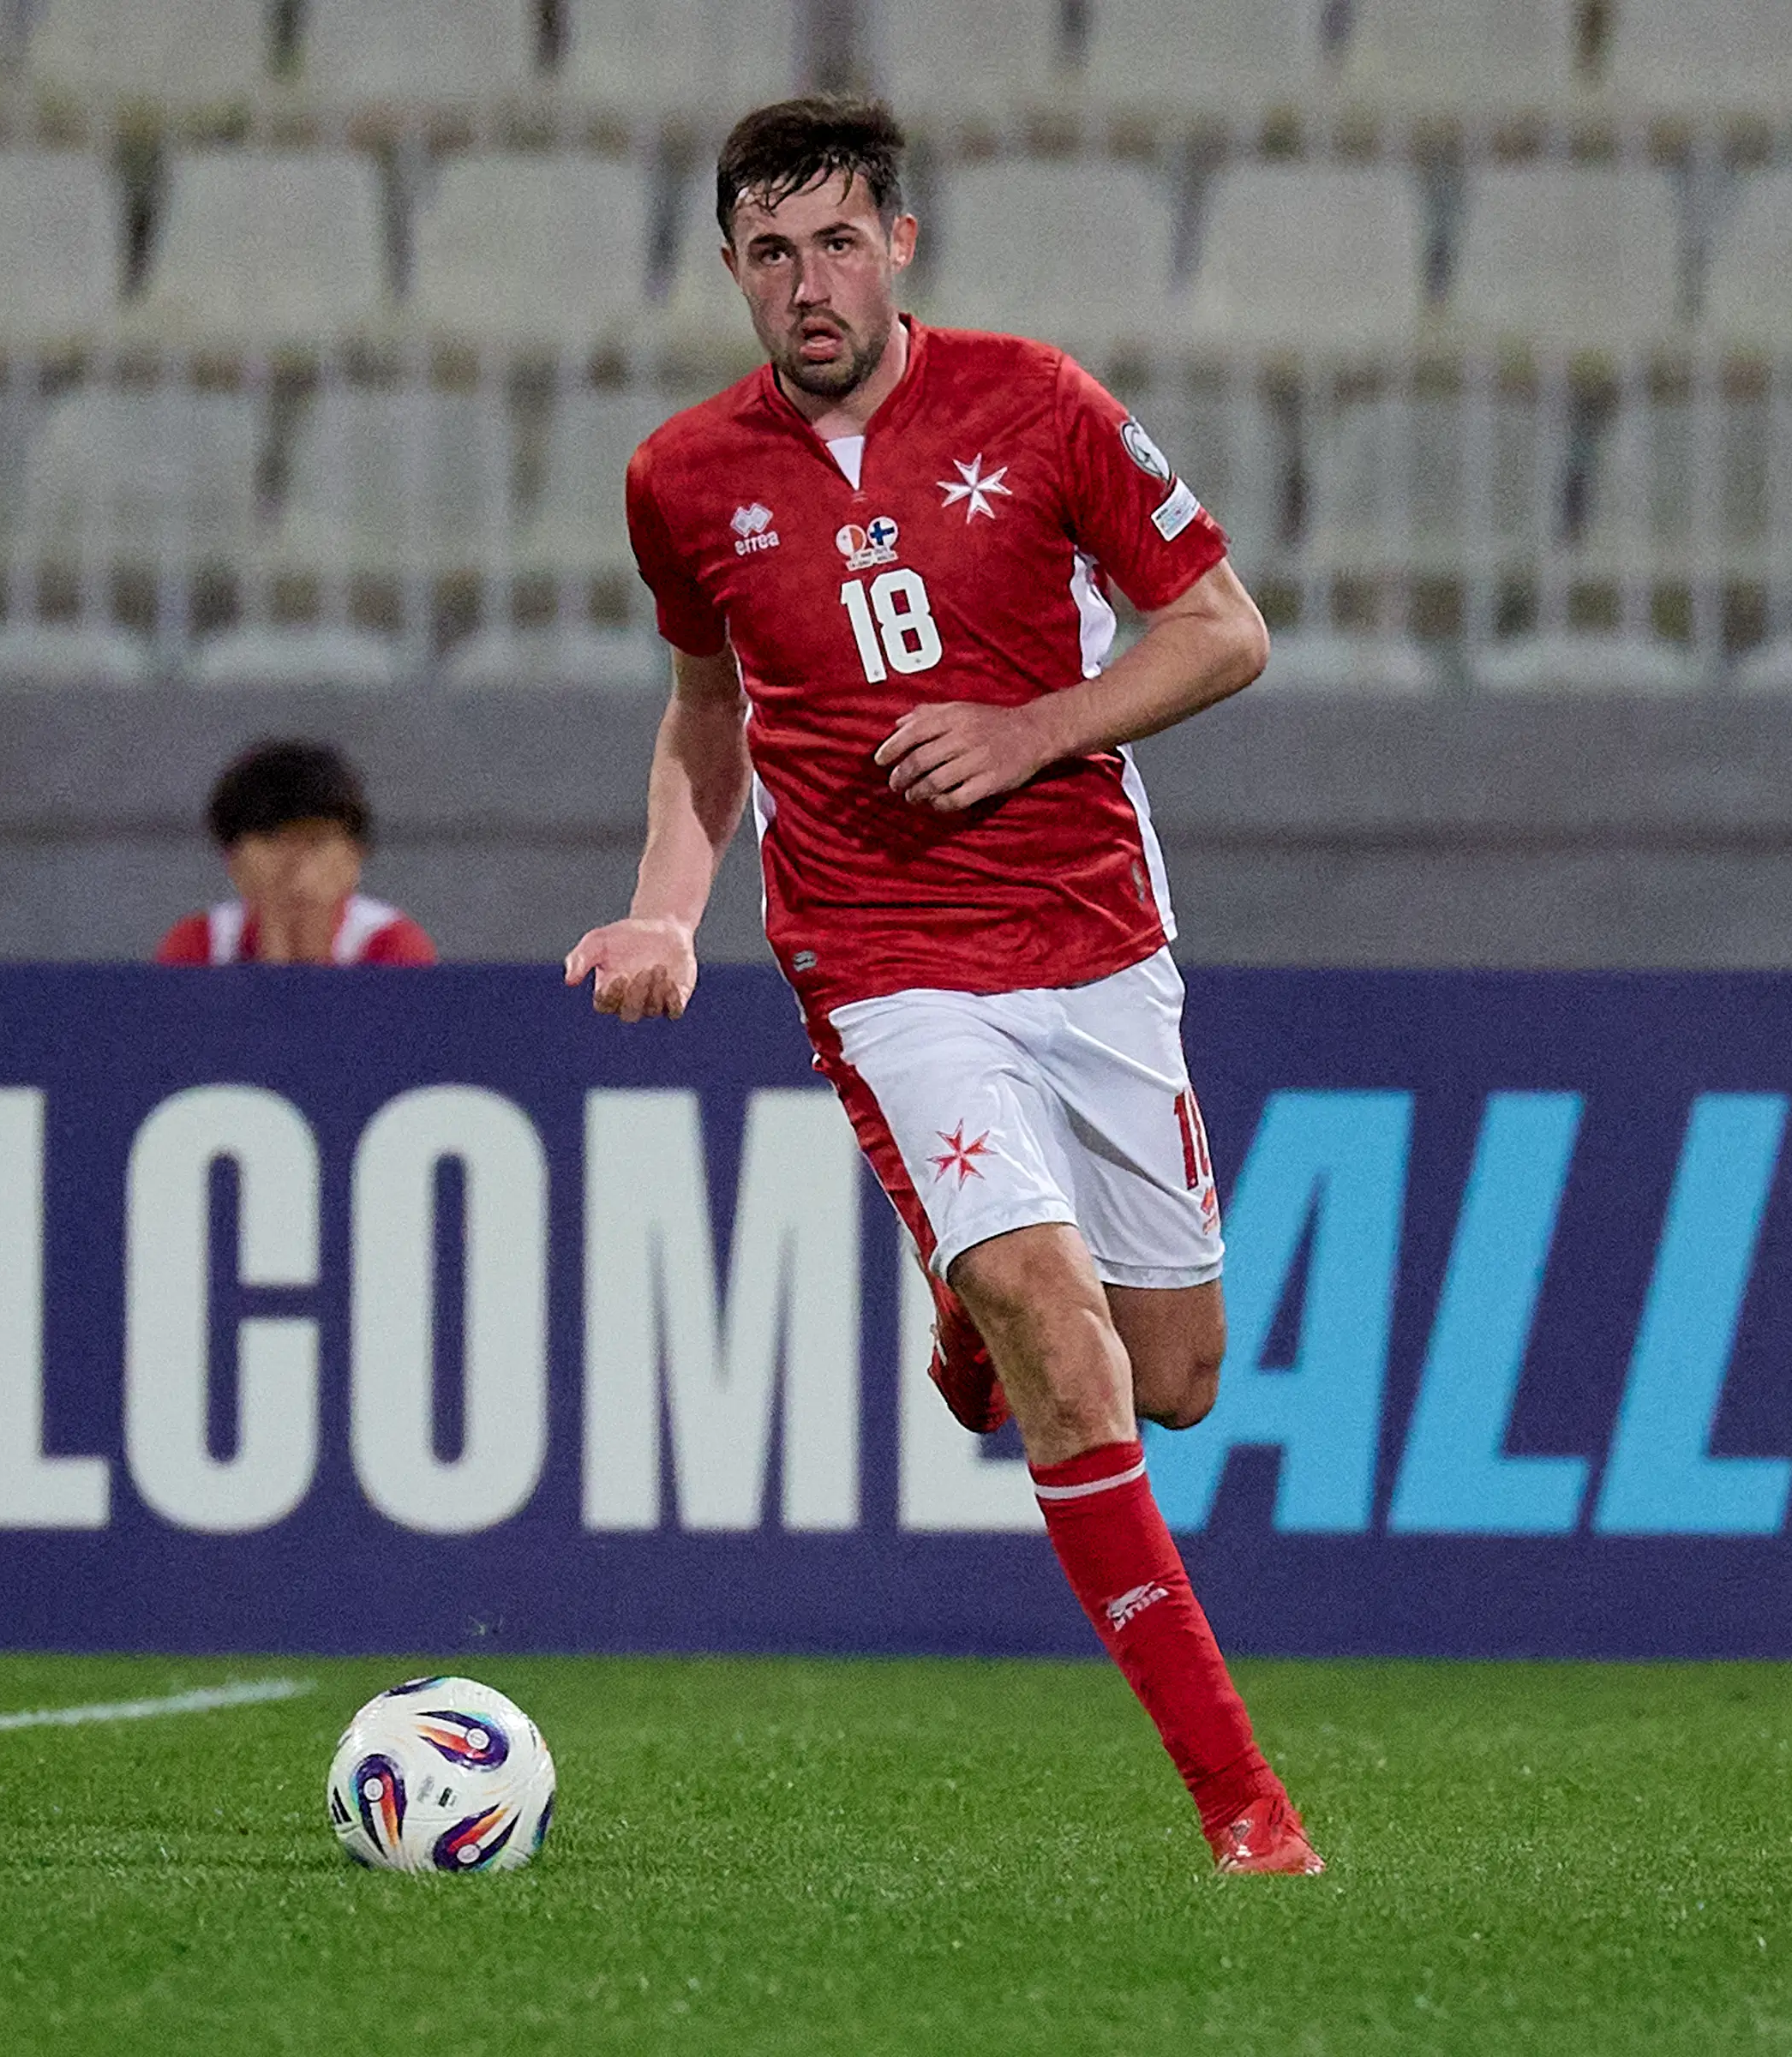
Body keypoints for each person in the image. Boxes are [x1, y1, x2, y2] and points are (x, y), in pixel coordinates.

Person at [564, 98, 1320, 1875]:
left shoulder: (1040, 402)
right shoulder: (681, 479)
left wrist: (1029, 730)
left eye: (837, 243)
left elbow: (1225, 627)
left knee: (1179, 1375)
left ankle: (966, 1316)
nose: (807, 284)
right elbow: (702, 707)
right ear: (730, 268)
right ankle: (1245, 1811)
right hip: (882, 965)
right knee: (1072, 1356)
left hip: (1092, 937)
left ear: (900, 245)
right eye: (770, 253)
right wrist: (666, 908)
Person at [158, 739, 436, 966]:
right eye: (271, 840)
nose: (296, 867)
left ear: (355, 857)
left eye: (316, 842)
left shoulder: (393, 945)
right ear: (232, 859)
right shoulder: (197, 946)